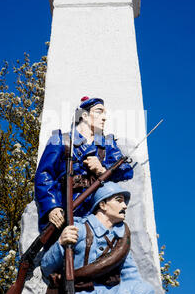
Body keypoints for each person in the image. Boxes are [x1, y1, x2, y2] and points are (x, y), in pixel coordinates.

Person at [39, 182, 167, 294]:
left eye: (125, 202)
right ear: (103, 204)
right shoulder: (80, 228)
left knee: (143, 290)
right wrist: (61, 244)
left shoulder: (119, 239)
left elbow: (131, 275)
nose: (124, 205)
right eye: (119, 200)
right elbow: (47, 267)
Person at [35, 97, 133, 233]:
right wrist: (52, 206)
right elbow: (44, 175)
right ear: (85, 116)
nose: (104, 118)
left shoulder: (107, 144)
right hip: (67, 205)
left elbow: (126, 170)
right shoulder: (60, 140)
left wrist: (102, 170)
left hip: (97, 211)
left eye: (105, 113)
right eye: (99, 112)